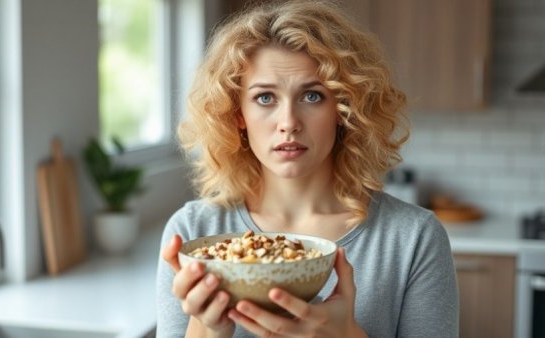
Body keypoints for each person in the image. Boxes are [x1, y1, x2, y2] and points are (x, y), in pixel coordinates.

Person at [156, 0, 459, 337]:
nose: (288, 123)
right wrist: (208, 328)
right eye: (265, 98)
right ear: (237, 113)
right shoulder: (194, 233)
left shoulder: (413, 239)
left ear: (344, 110)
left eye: (312, 96)